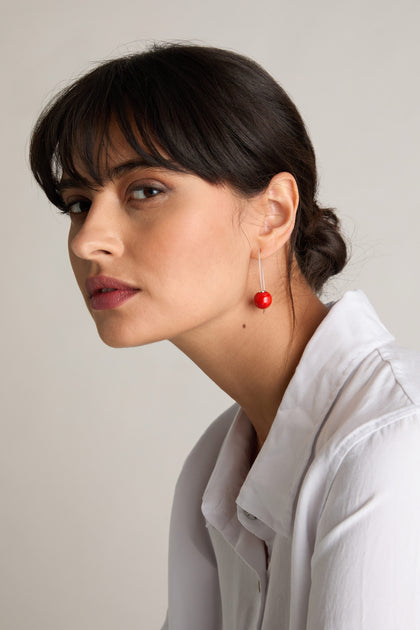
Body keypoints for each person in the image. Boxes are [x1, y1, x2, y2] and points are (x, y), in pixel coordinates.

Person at [29, 43, 420, 630]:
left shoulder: (390, 447)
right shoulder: (217, 465)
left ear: (272, 214)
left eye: (144, 190)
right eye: (79, 203)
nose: (88, 240)